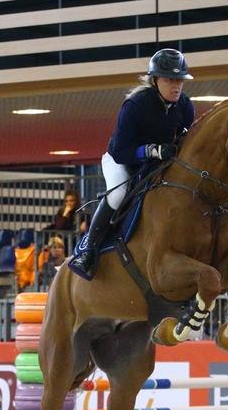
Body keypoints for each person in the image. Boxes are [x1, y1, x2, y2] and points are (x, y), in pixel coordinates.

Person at [68, 48, 195, 279]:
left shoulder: (185, 105)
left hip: (158, 163)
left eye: (179, 80)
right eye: (169, 80)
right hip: (122, 160)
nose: (176, 86)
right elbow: (121, 151)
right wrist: (151, 150)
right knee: (118, 194)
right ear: (155, 80)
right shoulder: (135, 105)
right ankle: (88, 249)